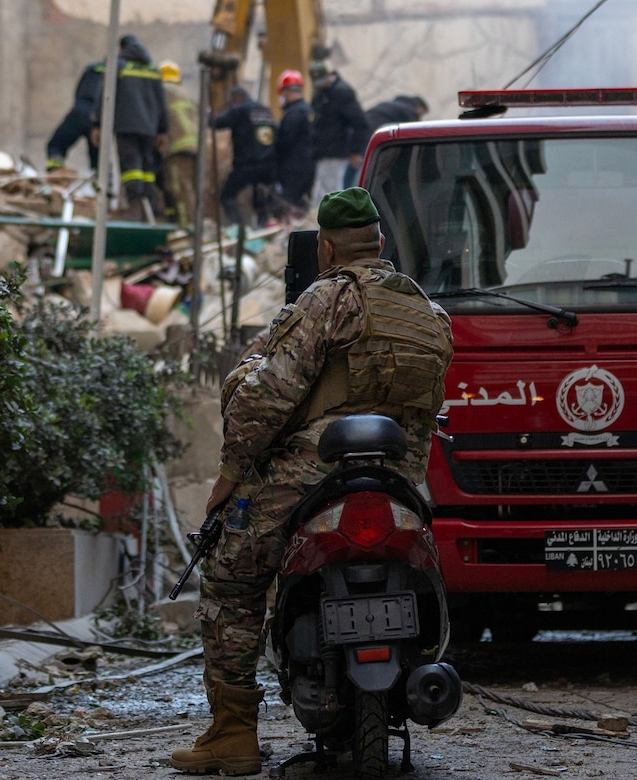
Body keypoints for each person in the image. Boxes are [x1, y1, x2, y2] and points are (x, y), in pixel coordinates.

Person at [167, 187, 453, 776]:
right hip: (399, 479)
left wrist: (230, 474)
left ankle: (233, 734)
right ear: (380, 242)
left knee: (231, 577)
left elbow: (267, 397)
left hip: (314, 472)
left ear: (326, 248)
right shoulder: (429, 314)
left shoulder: (327, 298)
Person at [91, 34, 169, 222]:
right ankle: (151, 209)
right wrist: (162, 129)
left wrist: (97, 123)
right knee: (147, 170)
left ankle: (134, 208)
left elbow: (105, 95)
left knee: (131, 168)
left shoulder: (118, 65)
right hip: (149, 128)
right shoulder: (153, 69)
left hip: (126, 125)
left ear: (121, 48)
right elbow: (162, 102)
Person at [212, 86, 278, 226]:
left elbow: (217, 122)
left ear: (235, 99)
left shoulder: (240, 109)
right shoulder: (265, 110)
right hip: (268, 165)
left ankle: (238, 228)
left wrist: (204, 114)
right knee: (260, 199)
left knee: (227, 195)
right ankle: (264, 227)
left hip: (247, 164)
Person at [308, 61, 369, 199]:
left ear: (329, 75)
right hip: (322, 154)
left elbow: (360, 123)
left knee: (334, 194)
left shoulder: (342, 92)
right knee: (322, 195)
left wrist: (355, 151)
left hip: (338, 154)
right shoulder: (320, 94)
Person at [159, 60, 200, 226]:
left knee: (179, 190)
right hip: (195, 147)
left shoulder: (163, 93)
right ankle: (190, 224)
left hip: (177, 148)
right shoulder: (186, 94)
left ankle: (187, 228)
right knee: (191, 188)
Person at [45, 61, 106, 172]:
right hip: (98, 116)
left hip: (79, 110)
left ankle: (55, 172)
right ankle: (98, 177)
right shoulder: (118, 70)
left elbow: (79, 91)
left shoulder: (91, 67)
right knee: (98, 156)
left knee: (56, 145)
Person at [272, 69, 314, 217]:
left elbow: (284, 142)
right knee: (300, 207)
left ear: (285, 92)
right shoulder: (308, 110)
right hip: (308, 167)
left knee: (287, 205)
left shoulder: (293, 114)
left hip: (292, 168)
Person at [364, 94, 428, 132]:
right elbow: (415, 128)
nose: (420, 116)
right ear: (420, 107)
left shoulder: (391, 103)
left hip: (365, 123)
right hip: (376, 128)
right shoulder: (410, 111)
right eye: (422, 113)